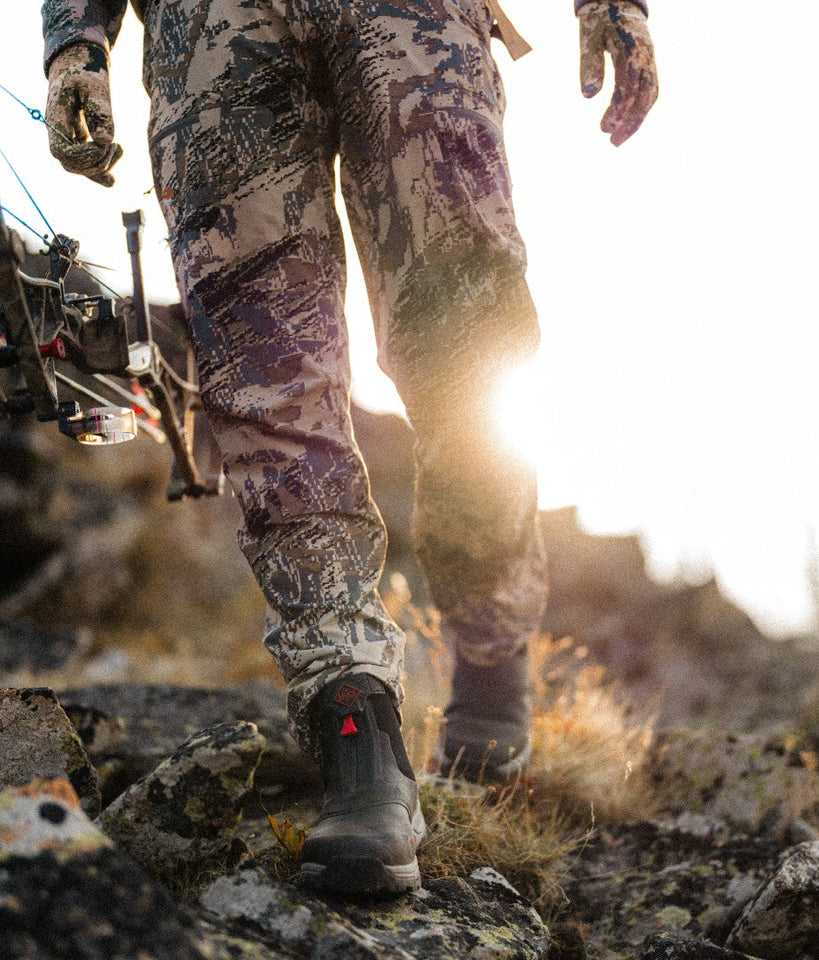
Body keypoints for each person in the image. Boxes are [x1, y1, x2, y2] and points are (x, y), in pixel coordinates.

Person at [41, 0, 658, 896]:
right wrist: (74, 41)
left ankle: (489, 656)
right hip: (212, 26)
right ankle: (355, 726)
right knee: (266, 378)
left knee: (469, 340)